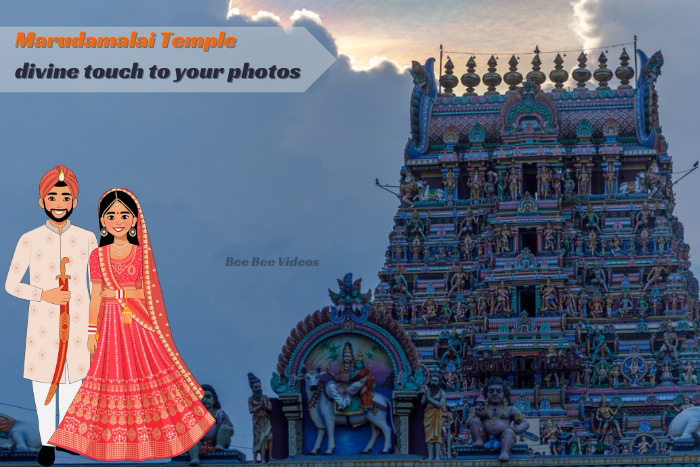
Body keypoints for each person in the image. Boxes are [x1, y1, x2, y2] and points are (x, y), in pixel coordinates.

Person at [47, 188, 215, 461]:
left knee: (146, 377)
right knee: (104, 379)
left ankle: (155, 439)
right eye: (111, 215)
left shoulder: (140, 255)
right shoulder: (98, 257)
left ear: (135, 221)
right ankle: (100, 440)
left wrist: (119, 294)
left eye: (124, 215)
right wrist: (91, 330)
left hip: (136, 321)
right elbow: (96, 296)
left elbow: (146, 292)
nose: (118, 220)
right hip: (110, 324)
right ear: (103, 221)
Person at [5, 166, 98, 467]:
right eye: (53, 196)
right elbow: (11, 284)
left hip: (80, 323)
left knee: (74, 382)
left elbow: (98, 284)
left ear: (75, 203)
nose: (59, 202)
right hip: (44, 325)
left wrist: (95, 328)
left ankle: (68, 438)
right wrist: (45, 294)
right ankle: (46, 441)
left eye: (66, 196)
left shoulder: (87, 239)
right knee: (44, 386)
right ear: (42, 202)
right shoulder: (29, 239)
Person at [188, 384, 234, 466]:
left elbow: (230, 429)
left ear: (214, 400)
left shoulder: (220, 414)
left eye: (208, 397)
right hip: (199, 443)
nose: (205, 400)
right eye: (202, 398)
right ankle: (194, 458)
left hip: (217, 440)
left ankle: (220, 446)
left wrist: (221, 423)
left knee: (225, 428)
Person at [248, 373, 273, 464]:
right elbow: (251, 410)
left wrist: (264, 404)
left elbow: (270, 408)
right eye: (256, 387)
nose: (258, 388)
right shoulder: (251, 399)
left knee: (269, 438)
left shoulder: (265, 398)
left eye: (259, 386)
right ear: (252, 388)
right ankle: (257, 459)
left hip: (265, 420)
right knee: (259, 440)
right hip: (257, 422)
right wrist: (260, 405)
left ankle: (269, 457)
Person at [422, 373, 446, 461]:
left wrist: (430, 398)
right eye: (432, 380)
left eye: (435, 381)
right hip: (428, 413)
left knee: (437, 436)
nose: (433, 382)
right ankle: (430, 456)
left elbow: (440, 405)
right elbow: (422, 402)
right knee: (429, 436)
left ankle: (437, 457)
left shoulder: (442, 393)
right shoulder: (428, 391)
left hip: (437, 413)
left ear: (439, 382)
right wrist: (426, 395)